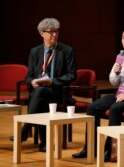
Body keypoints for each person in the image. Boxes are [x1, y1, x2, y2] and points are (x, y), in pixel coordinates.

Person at [72, 26, 124, 161]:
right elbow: (113, 82)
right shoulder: (121, 56)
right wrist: (116, 72)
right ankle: (90, 148)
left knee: (115, 109)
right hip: (120, 94)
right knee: (92, 107)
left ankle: (109, 149)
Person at [9, 18, 77, 152]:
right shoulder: (35, 51)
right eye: (50, 32)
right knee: (40, 96)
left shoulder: (67, 51)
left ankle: (25, 129)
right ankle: (44, 143)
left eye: (56, 31)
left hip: (58, 92)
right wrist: (32, 81)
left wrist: (52, 81)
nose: (54, 35)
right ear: (42, 33)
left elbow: (72, 75)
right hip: (39, 93)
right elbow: (29, 76)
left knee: (39, 94)